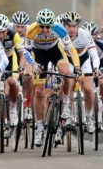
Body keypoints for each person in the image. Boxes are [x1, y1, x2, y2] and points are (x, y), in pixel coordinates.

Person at [24, 8, 80, 147]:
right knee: (38, 92)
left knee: (67, 72)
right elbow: (26, 52)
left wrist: (77, 67)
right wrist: (34, 64)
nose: (44, 30)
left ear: (52, 25)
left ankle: (66, 102)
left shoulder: (59, 28)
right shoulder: (31, 30)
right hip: (39, 55)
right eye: (41, 26)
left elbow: (71, 49)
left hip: (55, 51)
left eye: (47, 27)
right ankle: (39, 128)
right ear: (38, 24)